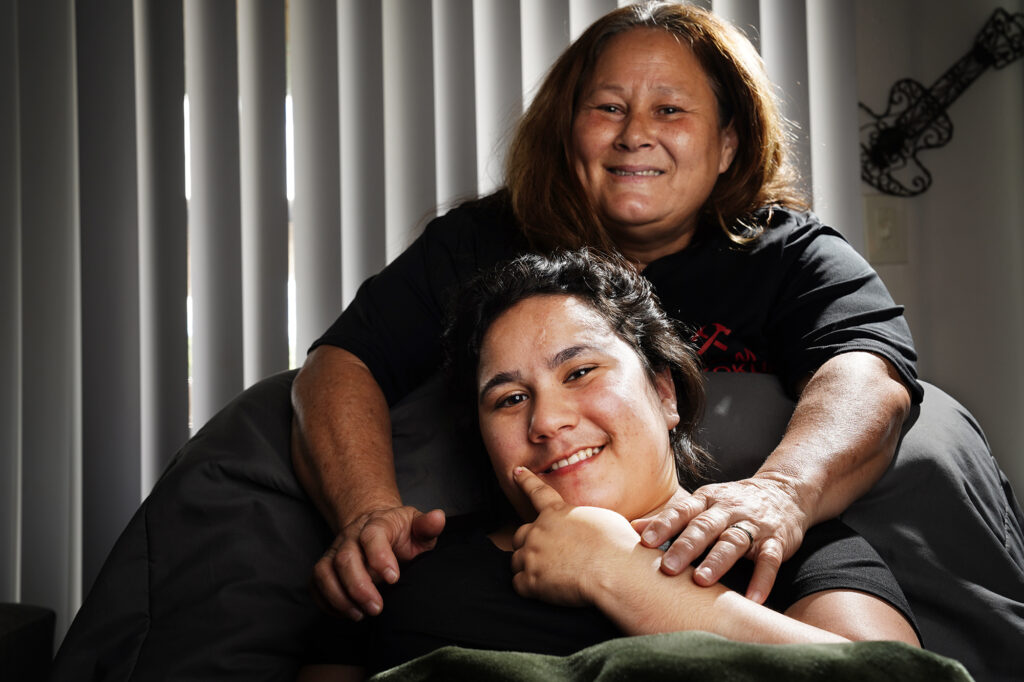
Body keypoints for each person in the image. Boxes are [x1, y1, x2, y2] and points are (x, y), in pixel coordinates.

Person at [291, 3, 1024, 679]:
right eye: (608, 108)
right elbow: (340, 363)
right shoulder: (477, 245)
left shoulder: (790, 255)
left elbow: (866, 373)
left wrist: (776, 497)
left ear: (729, 142)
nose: (634, 132)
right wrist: (368, 513)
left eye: (669, 110)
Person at [302, 249, 921, 679]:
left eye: (580, 372)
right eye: (510, 398)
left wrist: (618, 573)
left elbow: (896, 678)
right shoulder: (399, 569)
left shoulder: (785, 546)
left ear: (664, 393)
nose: (546, 421)